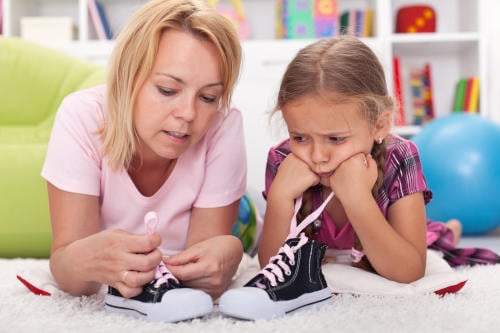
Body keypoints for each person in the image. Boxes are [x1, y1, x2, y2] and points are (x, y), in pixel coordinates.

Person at [41, 0, 246, 320]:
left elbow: (200, 278)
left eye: (208, 97)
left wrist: (229, 252)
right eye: (167, 89)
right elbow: (66, 268)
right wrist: (86, 259)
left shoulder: (223, 127)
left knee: (244, 230)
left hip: (242, 213)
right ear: (127, 77)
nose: (188, 114)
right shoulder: (81, 116)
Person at [259, 35, 499, 282]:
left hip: (395, 235)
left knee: (434, 240)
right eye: (300, 138)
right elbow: (269, 269)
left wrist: (357, 199)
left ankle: (449, 229)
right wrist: (280, 198)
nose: (318, 156)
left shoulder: (400, 157)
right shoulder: (282, 160)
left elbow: (409, 270)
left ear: (379, 125)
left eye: (336, 139)